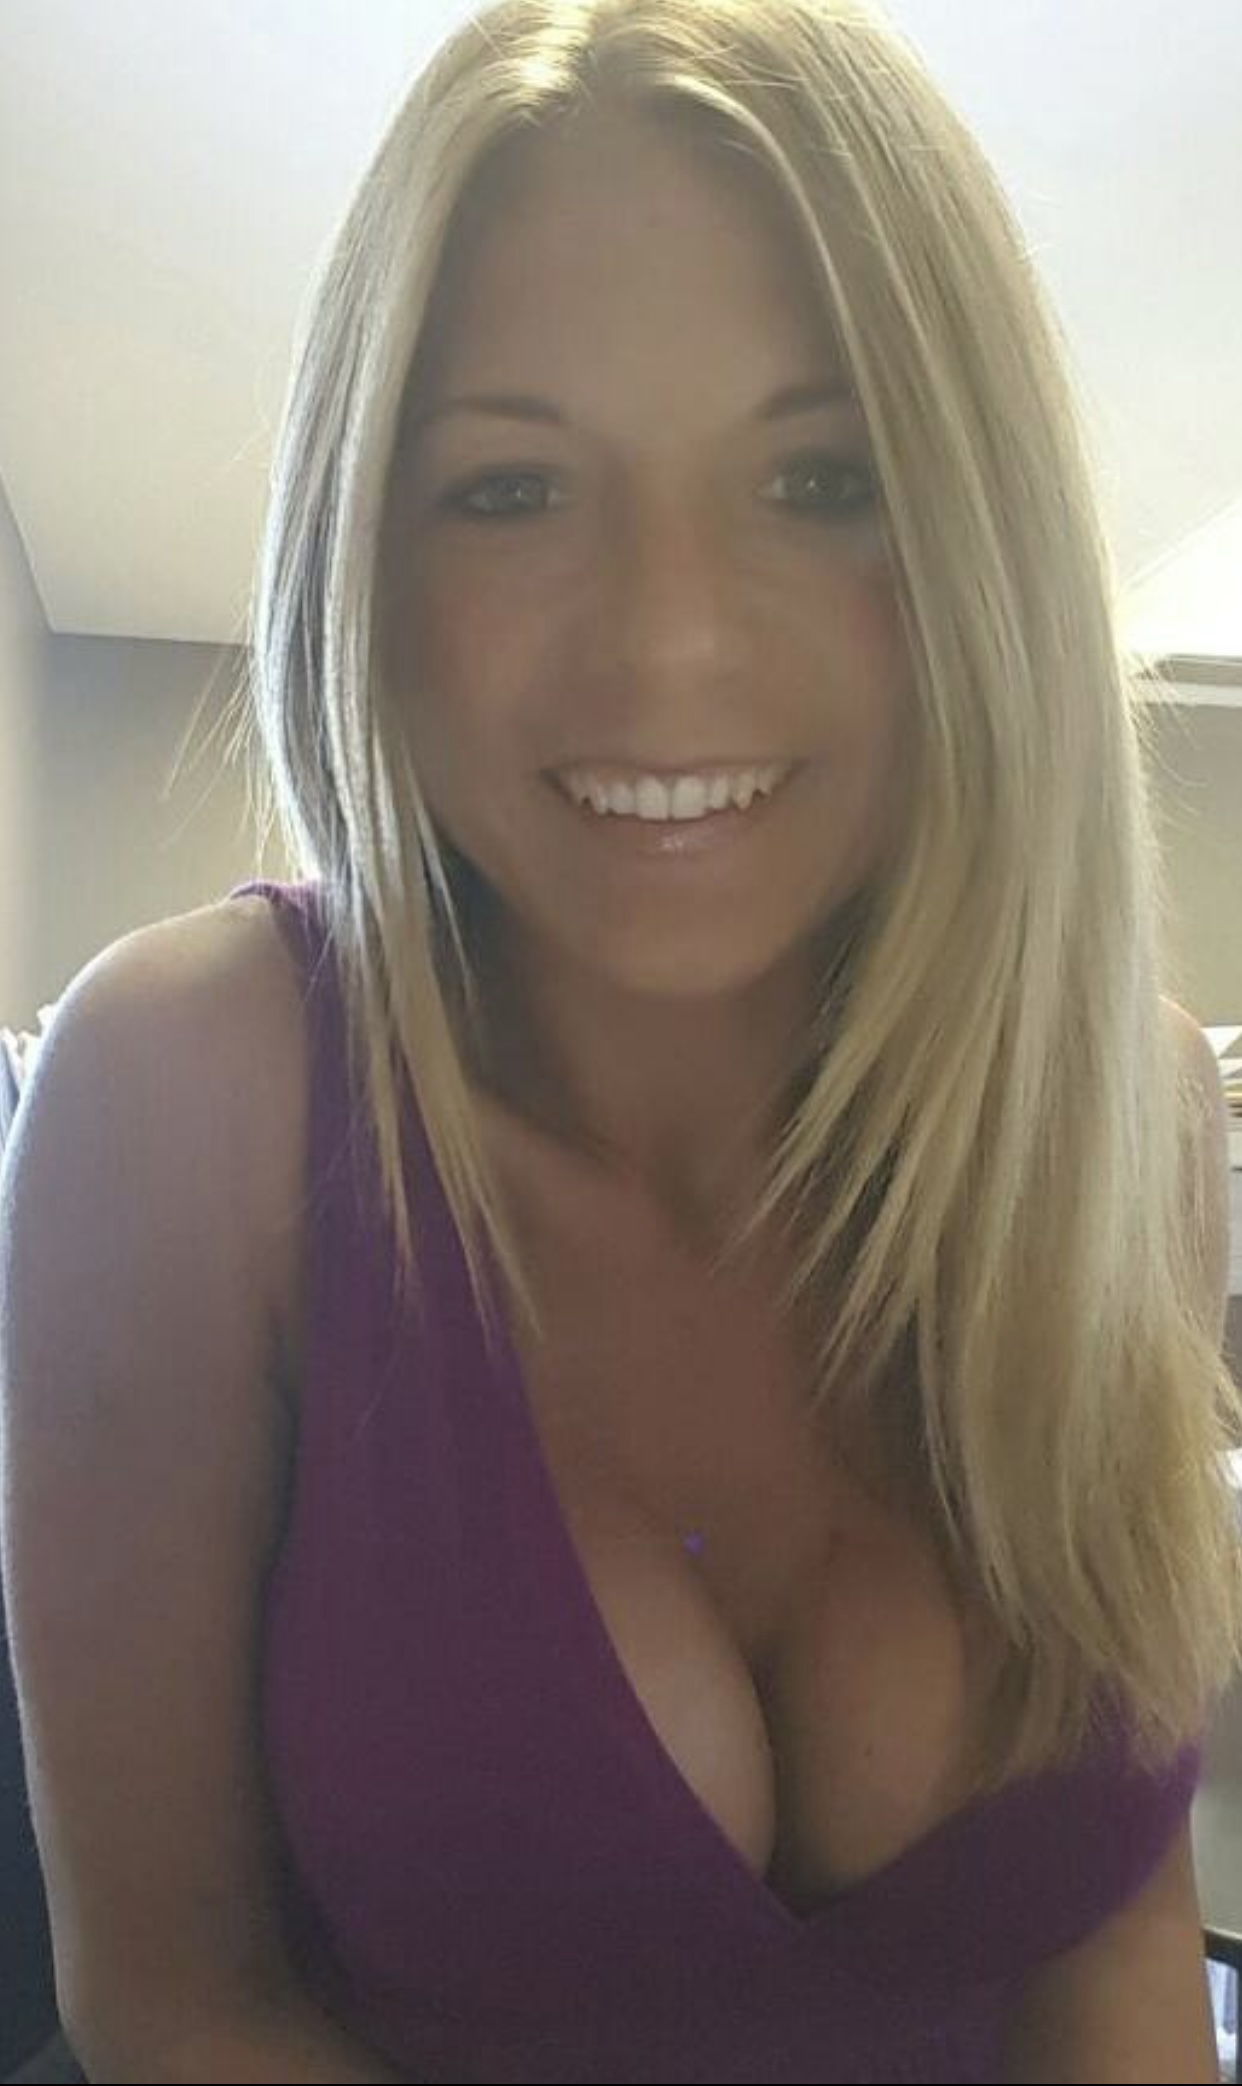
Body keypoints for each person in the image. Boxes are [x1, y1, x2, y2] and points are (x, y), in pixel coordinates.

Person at [1, 1, 1238, 2079]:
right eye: (510, 488)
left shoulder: (1131, 1117)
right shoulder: (188, 1104)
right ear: (368, 554)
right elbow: (180, 1997)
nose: (668, 640)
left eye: (823, 476)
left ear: (982, 539)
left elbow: (1109, 1955)